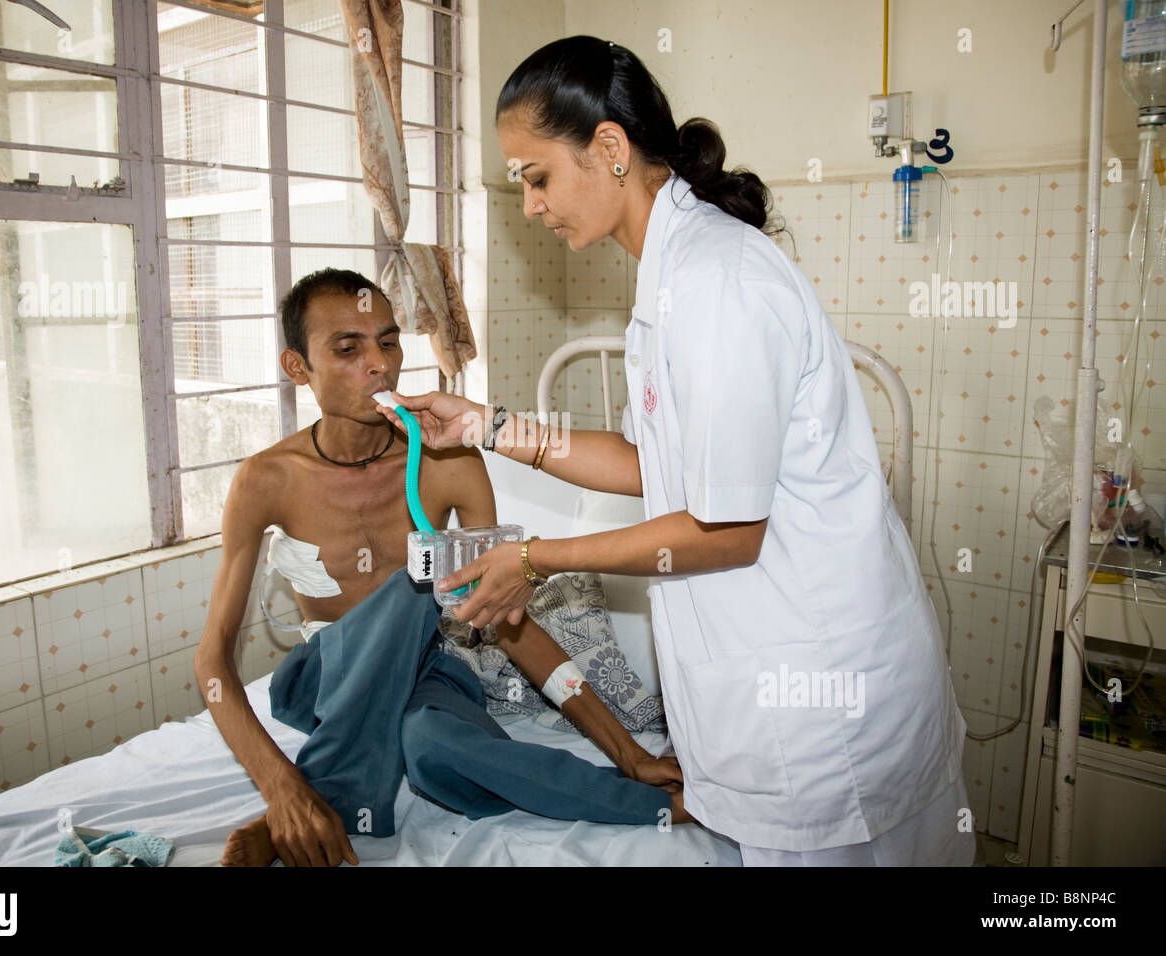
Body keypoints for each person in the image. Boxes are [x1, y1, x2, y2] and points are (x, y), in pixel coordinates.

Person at [376, 36, 975, 866]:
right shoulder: (670, 278)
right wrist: (485, 425)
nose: (529, 206)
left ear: (610, 149)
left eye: (535, 176)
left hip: (824, 697)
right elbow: (650, 462)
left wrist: (535, 558)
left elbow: (729, 530)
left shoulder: (717, 286)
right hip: (767, 685)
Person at [194, 267, 692, 867]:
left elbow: (505, 613)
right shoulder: (266, 479)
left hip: (428, 668)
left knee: (432, 746)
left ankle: (655, 807)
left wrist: (626, 752)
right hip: (325, 677)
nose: (379, 364)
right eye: (347, 348)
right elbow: (213, 658)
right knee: (419, 578)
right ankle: (306, 799)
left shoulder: (449, 460)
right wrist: (279, 785)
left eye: (388, 341)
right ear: (297, 367)